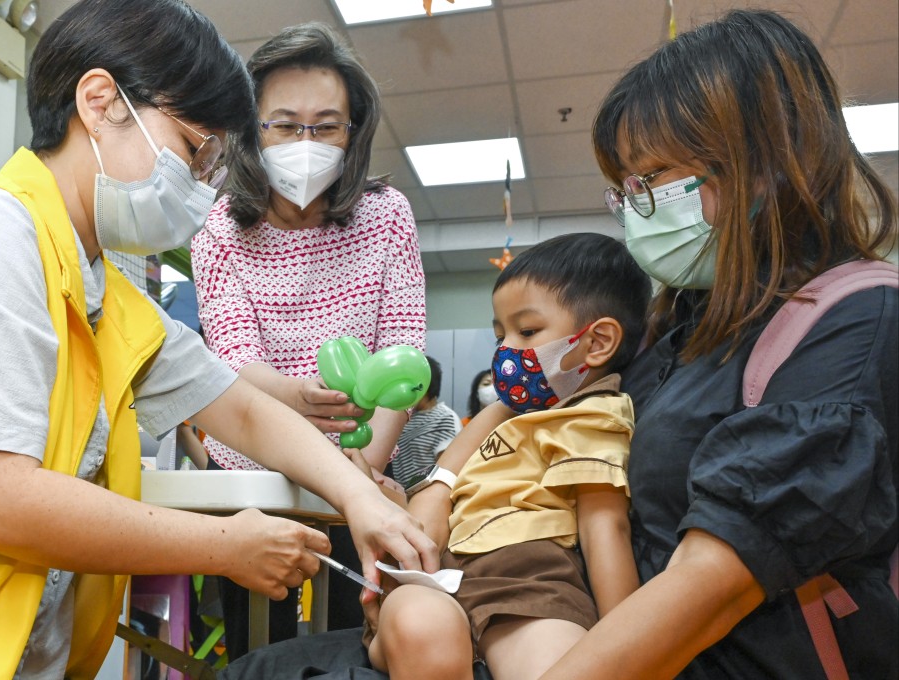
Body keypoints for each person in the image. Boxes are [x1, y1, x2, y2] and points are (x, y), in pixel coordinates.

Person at [220, 9, 898, 680]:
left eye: (654, 178)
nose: (639, 205)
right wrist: (438, 487)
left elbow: (710, 580)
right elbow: (535, 401)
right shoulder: (688, 323)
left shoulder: (852, 324)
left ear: (762, 163)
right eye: (626, 187)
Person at [0, 2, 438, 678]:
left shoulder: (107, 293)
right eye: (194, 150)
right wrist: (222, 545)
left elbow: (238, 406)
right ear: (100, 101)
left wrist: (358, 498)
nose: (203, 185)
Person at [190, 22, 425, 649]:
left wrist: (361, 473)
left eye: (326, 125)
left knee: (357, 631)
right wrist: (301, 400)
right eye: (285, 124)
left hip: (364, 456)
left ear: (354, 131)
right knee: (257, 639)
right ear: (250, 129)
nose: (306, 141)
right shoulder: (218, 228)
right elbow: (233, 359)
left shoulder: (387, 217)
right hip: (251, 465)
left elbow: (403, 352)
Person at [367, 233, 651, 680]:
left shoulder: (593, 415)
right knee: (419, 626)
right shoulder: (509, 410)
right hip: (440, 576)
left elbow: (605, 527)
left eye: (528, 332)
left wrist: (629, 647)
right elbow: (446, 475)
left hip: (530, 586)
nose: (506, 352)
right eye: (501, 335)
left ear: (597, 343)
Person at [390, 355, 462, 490]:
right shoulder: (402, 417)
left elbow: (447, 469)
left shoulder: (445, 418)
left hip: (429, 494)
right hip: (402, 496)